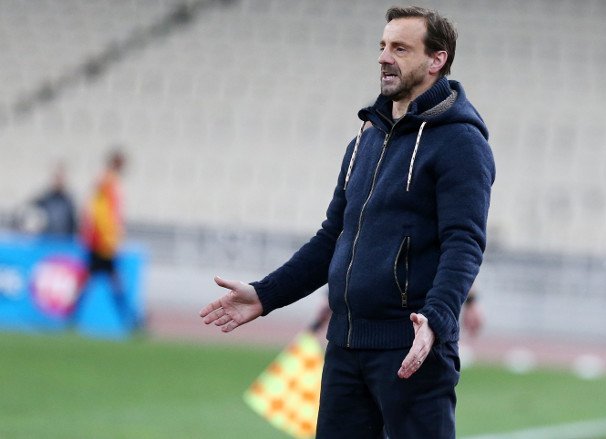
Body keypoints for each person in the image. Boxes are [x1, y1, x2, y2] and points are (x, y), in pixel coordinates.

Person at [200, 6, 495, 438]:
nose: (384, 57)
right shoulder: (365, 138)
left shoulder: (461, 142)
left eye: (400, 48)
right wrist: (266, 294)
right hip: (345, 346)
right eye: (382, 46)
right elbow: (332, 239)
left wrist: (437, 319)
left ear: (437, 60)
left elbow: (464, 243)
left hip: (412, 348)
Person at [77, 149, 133, 325]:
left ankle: (71, 317)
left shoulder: (107, 181)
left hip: (101, 241)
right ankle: (129, 320)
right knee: (112, 282)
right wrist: (108, 237)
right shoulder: (107, 181)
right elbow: (99, 212)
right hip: (102, 243)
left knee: (96, 281)